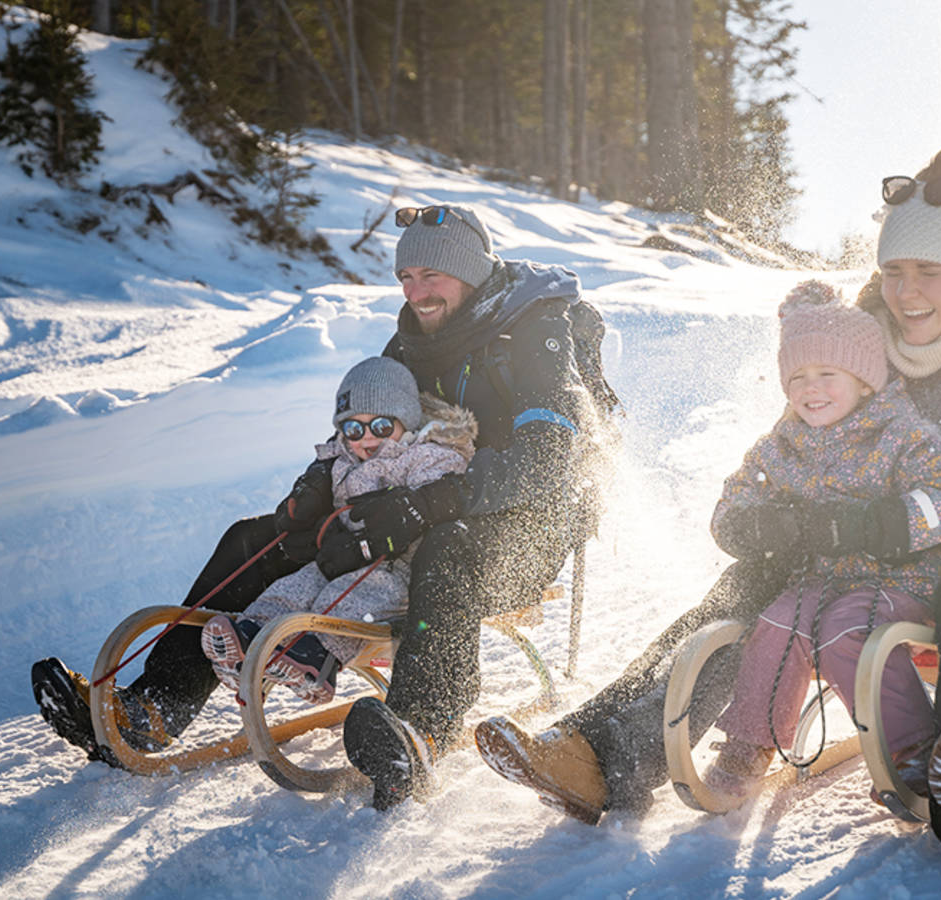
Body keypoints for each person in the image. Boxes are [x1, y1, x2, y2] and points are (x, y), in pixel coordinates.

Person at [476, 149, 941, 863]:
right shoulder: (859, 330)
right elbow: (802, 435)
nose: (907, 292)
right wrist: (770, 518)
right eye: (894, 271)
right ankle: (601, 748)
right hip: (863, 544)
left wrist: (908, 522)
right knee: (749, 586)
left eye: (931, 271)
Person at [34, 203, 613, 813]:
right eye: (406, 277)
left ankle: (421, 728)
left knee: (449, 549)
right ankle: (154, 707)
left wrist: (428, 505)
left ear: (471, 272)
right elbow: (366, 428)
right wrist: (316, 486)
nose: (416, 292)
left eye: (431, 276)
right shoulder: (415, 339)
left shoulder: (532, 331)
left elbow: (550, 462)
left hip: (528, 528)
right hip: (419, 506)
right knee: (250, 539)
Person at [703, 281, 941, 806]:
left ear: (865, 379)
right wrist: (757, 526)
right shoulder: (782, 446)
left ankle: (913, 748)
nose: (812, 388)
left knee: (847, 629)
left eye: (827, 373)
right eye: (798, 376)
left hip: (898, 580)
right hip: (822, 580)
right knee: (779, 621)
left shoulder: (901, 433)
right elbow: (731, 504)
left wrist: (884, 524)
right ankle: (750, 743)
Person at [198, 356, 476, 706]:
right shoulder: (343, 458)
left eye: (381, 426)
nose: (367, 439)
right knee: (299, 584)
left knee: (348, 597)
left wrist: (404, 508)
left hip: (398, 570)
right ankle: (252, 639)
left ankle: (317, 659)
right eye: (354, 429)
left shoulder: (428, 455)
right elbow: (323, 481)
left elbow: (442, 497)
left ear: (407, 421)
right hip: (347, 556)